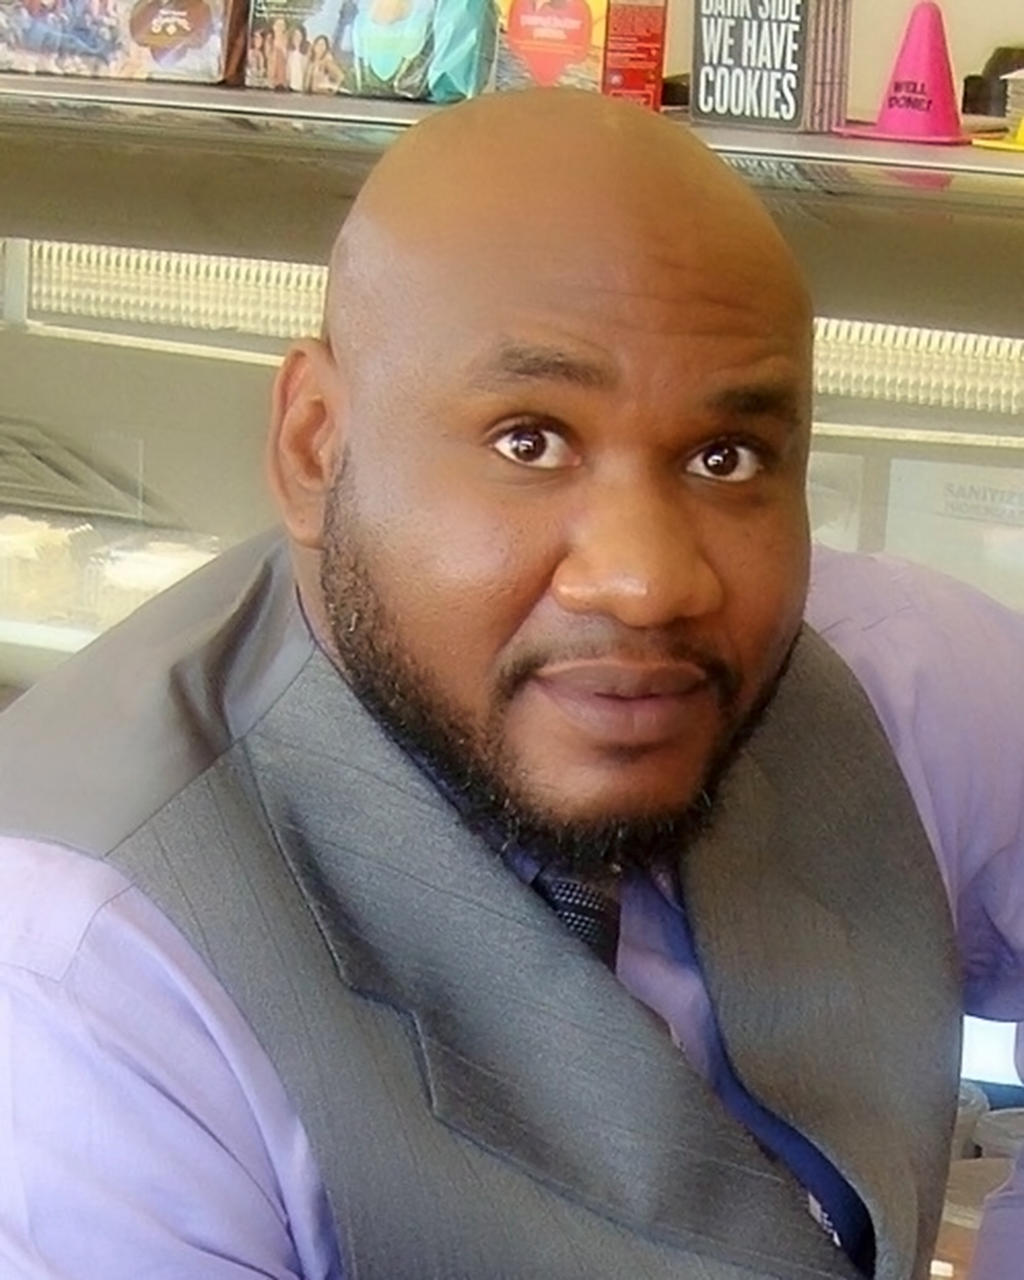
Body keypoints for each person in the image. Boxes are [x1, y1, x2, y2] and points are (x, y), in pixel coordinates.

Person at [0, 89, 1023, 1280]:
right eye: (528, 440)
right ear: (316, 449)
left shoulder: (899, 673)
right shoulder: (89, 970)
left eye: (724, 456)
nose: (648, 581)